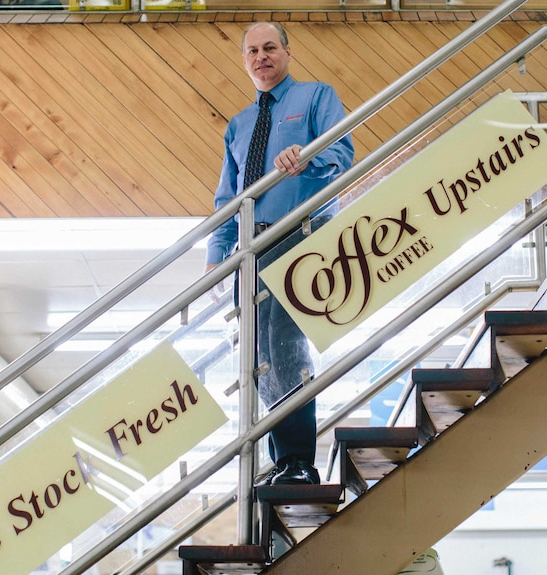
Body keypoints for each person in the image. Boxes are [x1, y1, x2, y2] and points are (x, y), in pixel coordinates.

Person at [204, 22, 354, 485]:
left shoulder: (315, 97)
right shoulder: (239, 124)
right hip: (251, 248)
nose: (261, 56)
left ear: (287, 53)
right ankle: (282, 458)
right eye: (252, 50)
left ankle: (299, 461)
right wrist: (217, 254)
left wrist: (309, 157)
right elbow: (229, 198)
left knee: (286, 347)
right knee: (256, 356)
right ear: (244, 60)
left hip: (300, 235)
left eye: (270, 47)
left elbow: (343, 152)